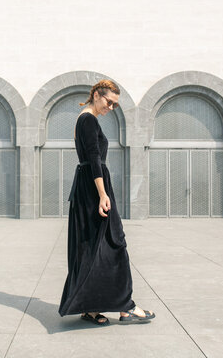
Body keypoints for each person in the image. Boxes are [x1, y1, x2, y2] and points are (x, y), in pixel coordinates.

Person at [58, 79, 155, 325]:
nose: (110, 108)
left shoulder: (84, 119)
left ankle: (90, 308)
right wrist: (102, 194)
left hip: (87, 186)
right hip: (93, 188)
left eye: (114, 105)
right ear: (96, 95)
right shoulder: (88, 119)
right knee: (115, 242)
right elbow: (93, 158)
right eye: (109, 102)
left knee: (92, 248)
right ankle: (127, 308)